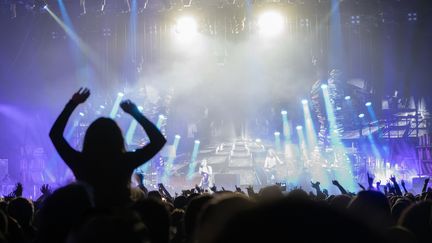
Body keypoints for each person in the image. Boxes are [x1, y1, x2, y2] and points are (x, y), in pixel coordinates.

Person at [49, 88, 166, 207]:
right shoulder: (125, 161)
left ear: (89, 138)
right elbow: (158, 141)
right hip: (121, 220)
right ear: (118, 138)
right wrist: (135, 113)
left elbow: (55, 135)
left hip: (90, 222)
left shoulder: (81, 162)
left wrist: (72, 103)